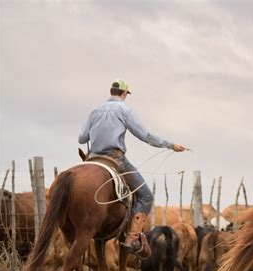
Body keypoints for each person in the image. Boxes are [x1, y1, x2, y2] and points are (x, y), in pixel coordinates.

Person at [78, 79, 186, 258]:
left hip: (93, 158)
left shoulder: (95, 111)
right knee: (145, 196)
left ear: (111, 92)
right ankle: (132, 238)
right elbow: (146, 136)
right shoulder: (125, 110)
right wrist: (170, 145)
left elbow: (82, 138)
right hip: (115, 158)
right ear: (124, 94)